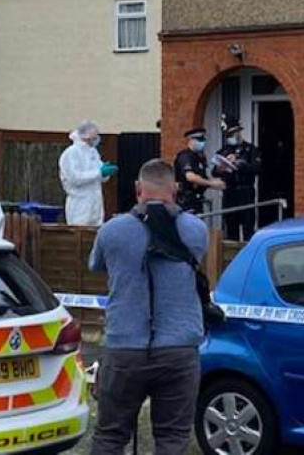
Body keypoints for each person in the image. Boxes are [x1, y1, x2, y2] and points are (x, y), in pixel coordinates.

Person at [89, 159, 209, 455]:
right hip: (178, 349)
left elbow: (97, 265)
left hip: (125, 347)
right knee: (172, 438)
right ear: (176, 189)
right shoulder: (196, 230)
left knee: (110, 437)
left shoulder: (112, 231)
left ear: (137, 188)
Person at [59, 120, 117, 226]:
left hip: (95, 204)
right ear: (86, 136)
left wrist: (105, 172)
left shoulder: (92, 152)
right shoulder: (71, 153)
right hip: (80, 206)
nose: (96, 139)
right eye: (94, 137)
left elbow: (99, 175)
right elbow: (75, 178)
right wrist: (100, 172)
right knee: (80, 236)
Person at [214, 117, 262, 241]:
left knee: (248, 226)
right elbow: (214, 172)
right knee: (231, 227)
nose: (232, 136)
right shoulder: (223, 151)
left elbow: (257, 168)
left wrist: (241, 164)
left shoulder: (251, 150)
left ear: (239, 132)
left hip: (245, 192)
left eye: (233, 133)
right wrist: (222, 167)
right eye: (228, 135)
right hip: (230, 192)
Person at [174, 128, 225, 214]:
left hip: (197, 199)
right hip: (186, 199)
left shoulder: (200, 157)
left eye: (203, 140)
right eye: (199, 140)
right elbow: (190, 177)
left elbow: (202, 177)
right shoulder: (185, 156)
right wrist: (211, 183)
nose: (202, 143)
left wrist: (215, 183)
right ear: (190, 140)